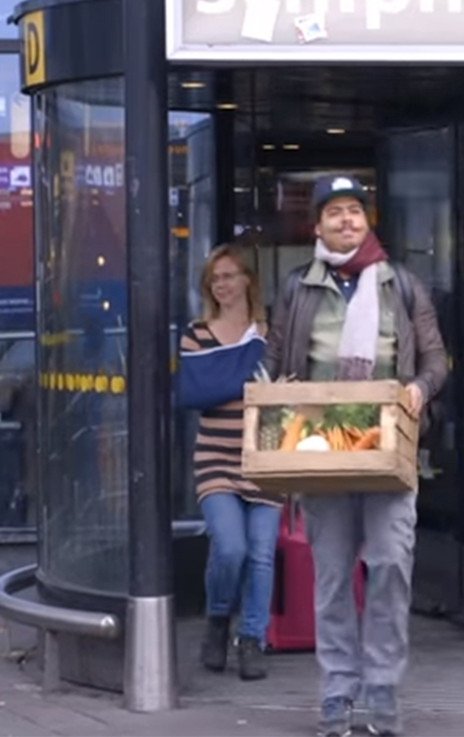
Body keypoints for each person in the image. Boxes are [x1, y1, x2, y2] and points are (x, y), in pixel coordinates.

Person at [265, 176, 447, 737]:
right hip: (320, 454)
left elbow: (436, 358)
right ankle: (338, 696)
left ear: (368, 222)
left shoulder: (402, 284)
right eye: (335, 213)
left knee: (391, 565)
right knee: (333, 581)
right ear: (317, 225)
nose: (347, 221)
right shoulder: (298, 287)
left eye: (355, 212)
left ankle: (384, 695)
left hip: (388, 452)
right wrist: (281, 393)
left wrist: (419, 389)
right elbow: (273, 362)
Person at [178, 244, 281, 681]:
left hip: (266, 453)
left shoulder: (269, 334)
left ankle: (252, 639)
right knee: (232, 547)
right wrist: (245, 381)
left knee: (261, 554)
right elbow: (194, 392)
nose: (220, 285)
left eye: (227, 276)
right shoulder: (196, 334)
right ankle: (219, 619)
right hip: (216, 455)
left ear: (246, 281)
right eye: (213, 279)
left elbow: (282, 389)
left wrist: (239, 384)